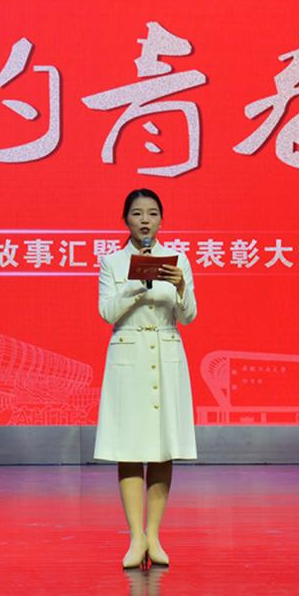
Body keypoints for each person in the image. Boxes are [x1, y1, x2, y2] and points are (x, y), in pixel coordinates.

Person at [93, 188, 198, 570]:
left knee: (162, 447)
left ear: (161, 220)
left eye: (152, 214)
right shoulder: (112, 262)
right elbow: (107, 312)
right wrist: (138, 282)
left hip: (166, 355)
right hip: (129, 356)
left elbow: (188, 316)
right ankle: (135, 536)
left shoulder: (179, 260)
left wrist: (180, 286)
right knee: (130, 447)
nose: (145, 220)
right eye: (137, 214)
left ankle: (154, 535)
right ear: (126, 220)